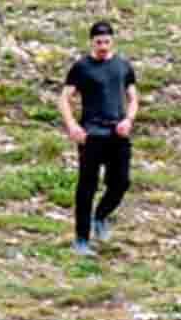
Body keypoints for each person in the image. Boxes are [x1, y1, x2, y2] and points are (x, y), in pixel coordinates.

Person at [59, 16, 140, 257]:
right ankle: (81, 240)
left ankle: (101, 216)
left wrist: (129, 119)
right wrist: (72, 126)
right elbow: (64, 99)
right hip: (91, 135)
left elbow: (133, 98)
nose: (103, 46)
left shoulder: (123, 66)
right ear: (91, 43)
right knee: (87, 187)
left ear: (112, 41)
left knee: (121, 182)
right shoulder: (81, 67)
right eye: (98, 42)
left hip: (118, 132)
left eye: (106, 42)